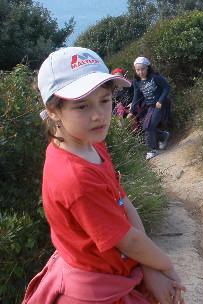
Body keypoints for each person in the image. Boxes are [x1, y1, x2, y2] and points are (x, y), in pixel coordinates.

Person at [23, 47, 185, 304]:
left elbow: (123, 202)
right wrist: (165, 266)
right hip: (95, 288)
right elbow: (128, 242)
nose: (99, 115)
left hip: (112, 271)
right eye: (82, 105)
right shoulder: (76, 178)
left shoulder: (91, 144)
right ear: (54, 111)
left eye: (105, 100)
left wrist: (149, 266)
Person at [128, 57, 171, 161]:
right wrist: (131, 111)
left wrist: (160, 101)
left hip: (161, 105)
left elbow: (167, 87)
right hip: (149, 107)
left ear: (147, 68)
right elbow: (136, 97)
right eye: (138, 70)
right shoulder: (137, 82)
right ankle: (163, 136)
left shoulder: (155, 77)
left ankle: (151, 150)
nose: (140, 72)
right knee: (146, 125)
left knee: (149, 126)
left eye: (142, 69)